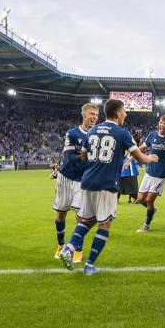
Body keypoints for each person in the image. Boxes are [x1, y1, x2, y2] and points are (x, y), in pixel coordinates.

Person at [59, 99, 158, 275]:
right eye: (124, 112)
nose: (126, 114)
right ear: (118, 113)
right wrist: (152, 158)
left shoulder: (92, 131)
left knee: (88, 220)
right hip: (107, 184)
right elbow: (141, 158)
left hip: (87, 182)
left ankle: (68, 248)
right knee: (104, 224)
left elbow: (83, 155)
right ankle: (89, 266)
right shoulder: (122, 133)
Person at [52, 103, 99, 262]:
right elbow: (68, 156)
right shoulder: (72, 133)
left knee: (81, 217)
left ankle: (78, 250)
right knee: (61, 213)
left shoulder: (97, 135)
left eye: (96, 115)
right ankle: (60, 245)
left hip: (83, 180)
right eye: (91, 114)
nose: (94, 117)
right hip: (66, 177)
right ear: (84, 115)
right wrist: (84, 155)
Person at [135, 115, 165, 232]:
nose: (162, 125)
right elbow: (142, 148)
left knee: (150, 200)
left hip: (160, 175)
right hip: (149, 172)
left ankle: (146, 225)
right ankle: (152, 210)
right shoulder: (152, 135)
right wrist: (131, 157)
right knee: (140, 199)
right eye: (161, 122)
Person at [118, 133, 141, 203]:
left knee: (121, 183)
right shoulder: (133, 146)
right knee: (132, 183)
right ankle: (135, 197)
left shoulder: (128, 144)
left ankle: (117, 198)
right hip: (128, 166)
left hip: (125, 166)